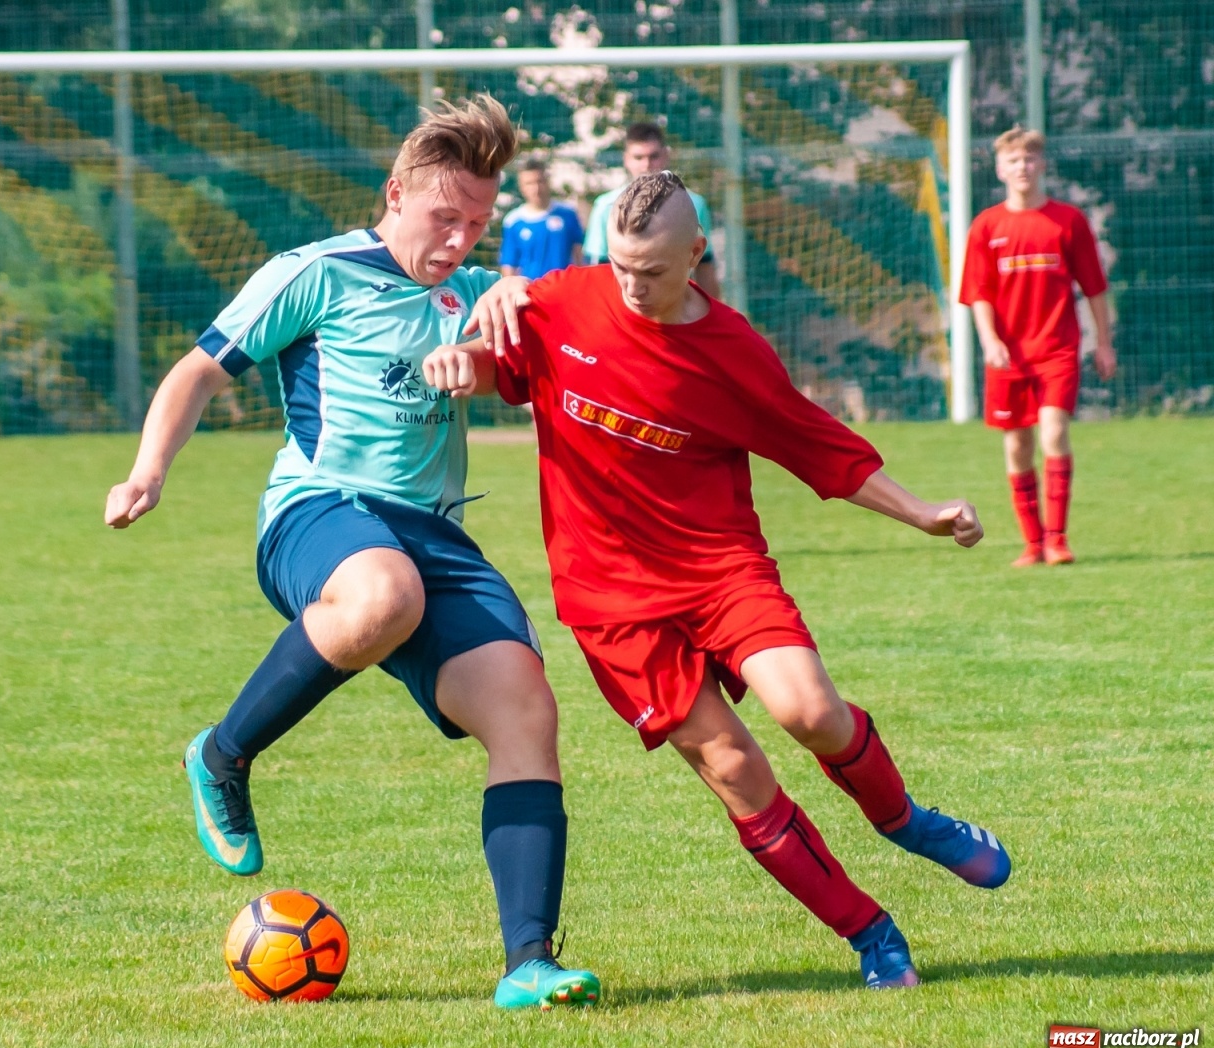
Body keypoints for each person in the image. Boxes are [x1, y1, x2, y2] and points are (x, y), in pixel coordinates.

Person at [423, 172, 1012, 990]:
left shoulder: (733, 351)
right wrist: (464, 363)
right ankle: (870, 932)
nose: (632, 286)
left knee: (811, 711)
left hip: (721, 570)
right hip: (611, 603)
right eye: (621, 266)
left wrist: (921, 513)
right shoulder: (563, 301)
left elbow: (818, 444)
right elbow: (505, 370)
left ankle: (905, 819)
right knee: (736, 770)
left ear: (696, 255)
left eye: (653, 271)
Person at [103, 95, 599, 1011]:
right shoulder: (315, 272)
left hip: (434, 536)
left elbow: (520, 374)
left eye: (477, 224)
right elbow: (199, 369)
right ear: (394, 195)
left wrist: (492, 342)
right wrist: (148, 471)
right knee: (381, 593)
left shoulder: (477, 291)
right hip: (319, 512)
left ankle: (528, 964)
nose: (458, 239)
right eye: (444, 217)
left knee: (526, 709)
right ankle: (222, 755)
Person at [960, 125, 1114, 567]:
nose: (1022, 167)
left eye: (1030, 159)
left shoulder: (1068, 221)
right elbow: (979, 292)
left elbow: (1095, 288)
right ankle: (1031, 544)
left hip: (1058, 350)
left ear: (1042, 164)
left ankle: (1057, 538)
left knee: (1054, 433)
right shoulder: (987, 225)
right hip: (1009, 355)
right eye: (1013, 161)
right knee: (1016, 448)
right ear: (1000, 169)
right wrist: (989, 341)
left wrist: (1104, 343)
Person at [583, 122, 721, 299]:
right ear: (626, 159)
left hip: (675, 308)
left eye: (653, 156)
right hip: (626, 307)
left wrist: (713, 319)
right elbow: (597, 269)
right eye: (638, 157)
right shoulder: (606, 206)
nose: (647, 165)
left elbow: (704, 266)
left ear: (666, 155)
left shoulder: (694, 204)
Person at [499, 160, 584, 280]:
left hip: (564, 290)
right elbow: (509, 265)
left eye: (540, 181)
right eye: (529, 183)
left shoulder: (568, 214)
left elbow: (578, 255)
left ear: (548, 182)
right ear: (521, 187)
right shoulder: (513, 221)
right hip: (531, 292)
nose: (536, 188)